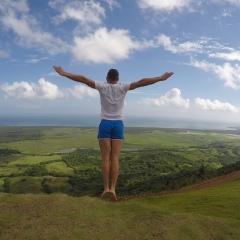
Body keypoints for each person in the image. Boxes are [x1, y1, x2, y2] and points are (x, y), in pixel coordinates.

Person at [53, 66, 174, 201]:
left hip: (105, 124)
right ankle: (113, 189)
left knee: (105, 158)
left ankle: (105, 189)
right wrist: (160, 78)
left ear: (107, 78)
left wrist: (64, 74)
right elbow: (142, 82)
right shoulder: (123, 87)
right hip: (118, 125)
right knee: (115, 158)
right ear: (118, 79)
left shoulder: (102, 87)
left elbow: (83, 79)